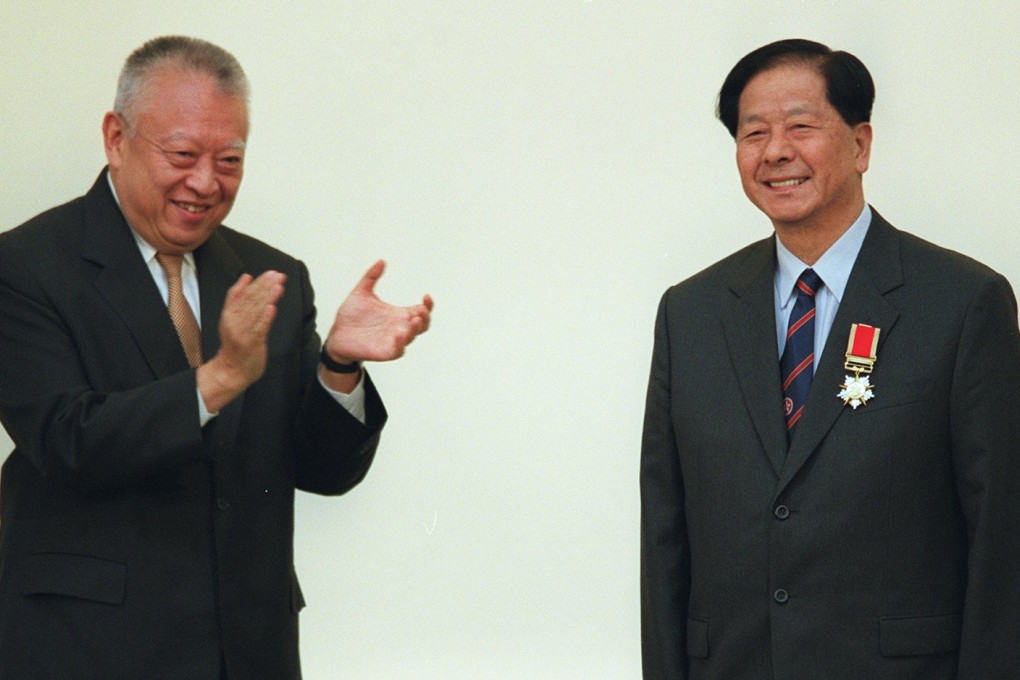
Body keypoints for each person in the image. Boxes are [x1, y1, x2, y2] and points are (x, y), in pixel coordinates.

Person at [0, 36, 432, 679]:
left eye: (228, 159)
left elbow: (323, 470)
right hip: (87, 645)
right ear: (116, 138)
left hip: (247, 647)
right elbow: (69, 442)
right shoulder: (28, 267)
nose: (205, 182)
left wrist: (338, 367)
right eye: (183, 155)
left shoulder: (270, 276)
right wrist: (221, 378)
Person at [640, 38, 1020, 679]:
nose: (776, 151)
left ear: (860, 144)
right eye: (753, 132)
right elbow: (664, 534)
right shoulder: (691, 312)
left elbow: (1002, 540)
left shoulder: (962, 304)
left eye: (800, 127)